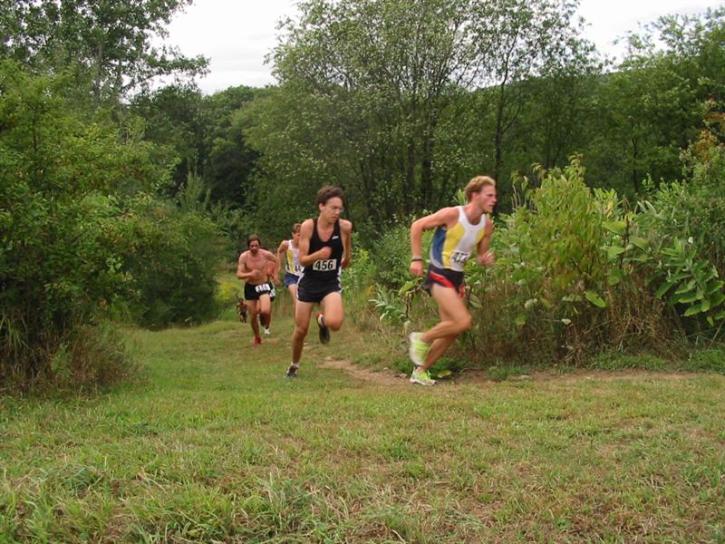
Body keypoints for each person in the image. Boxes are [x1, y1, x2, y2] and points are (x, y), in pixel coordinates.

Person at [407, 175, 497, 385]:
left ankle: (420, 371)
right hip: (438, 273)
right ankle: (422, 338)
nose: (494, 200)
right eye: (489, 195)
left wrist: (485, 259)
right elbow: (417, 226)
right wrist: (417, 258)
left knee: (451, 329)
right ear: (475, 195)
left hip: (456, 279)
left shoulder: (487, 225)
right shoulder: (452, 214)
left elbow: (480, 254)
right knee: (463, 322)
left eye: (495, 196)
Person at [286, 186, 352, 378]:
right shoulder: (308, 226)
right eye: (333, 208)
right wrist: (319, 255)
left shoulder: (344, 227)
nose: (337, 212)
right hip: (308, 282)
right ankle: (294, 365)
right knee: (301, 330)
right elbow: (303, 260)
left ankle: (321, 320)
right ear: (321, 206)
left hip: (330, 282)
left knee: (336, 323)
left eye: (340, 208)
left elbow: (347, 259)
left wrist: (344, 258)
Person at [236, 235, 279, 345]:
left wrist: (274, 273)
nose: (254, 248)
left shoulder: (265, 254)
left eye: (256, 245)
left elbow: (277, 260)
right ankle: (257, 337)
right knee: (253, 314)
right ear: (248, 247)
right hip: (250, 286)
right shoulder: (244, 257)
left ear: (259, 246)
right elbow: (239, 274)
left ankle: (266, 324)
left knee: (265, 310)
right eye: (251, 246)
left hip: (263, 284)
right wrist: (250, 273)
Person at [276, 223, 303, 315]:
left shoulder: (306, 245)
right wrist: (279, 266)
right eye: (298, 235)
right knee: (296, 298)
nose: (300, 237)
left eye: (302, 235)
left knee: (302, 302)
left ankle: (299, 320)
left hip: (304, 276)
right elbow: (279, 251)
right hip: (291, 276)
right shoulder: (286, 244)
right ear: (293, 234)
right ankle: (298, 325)